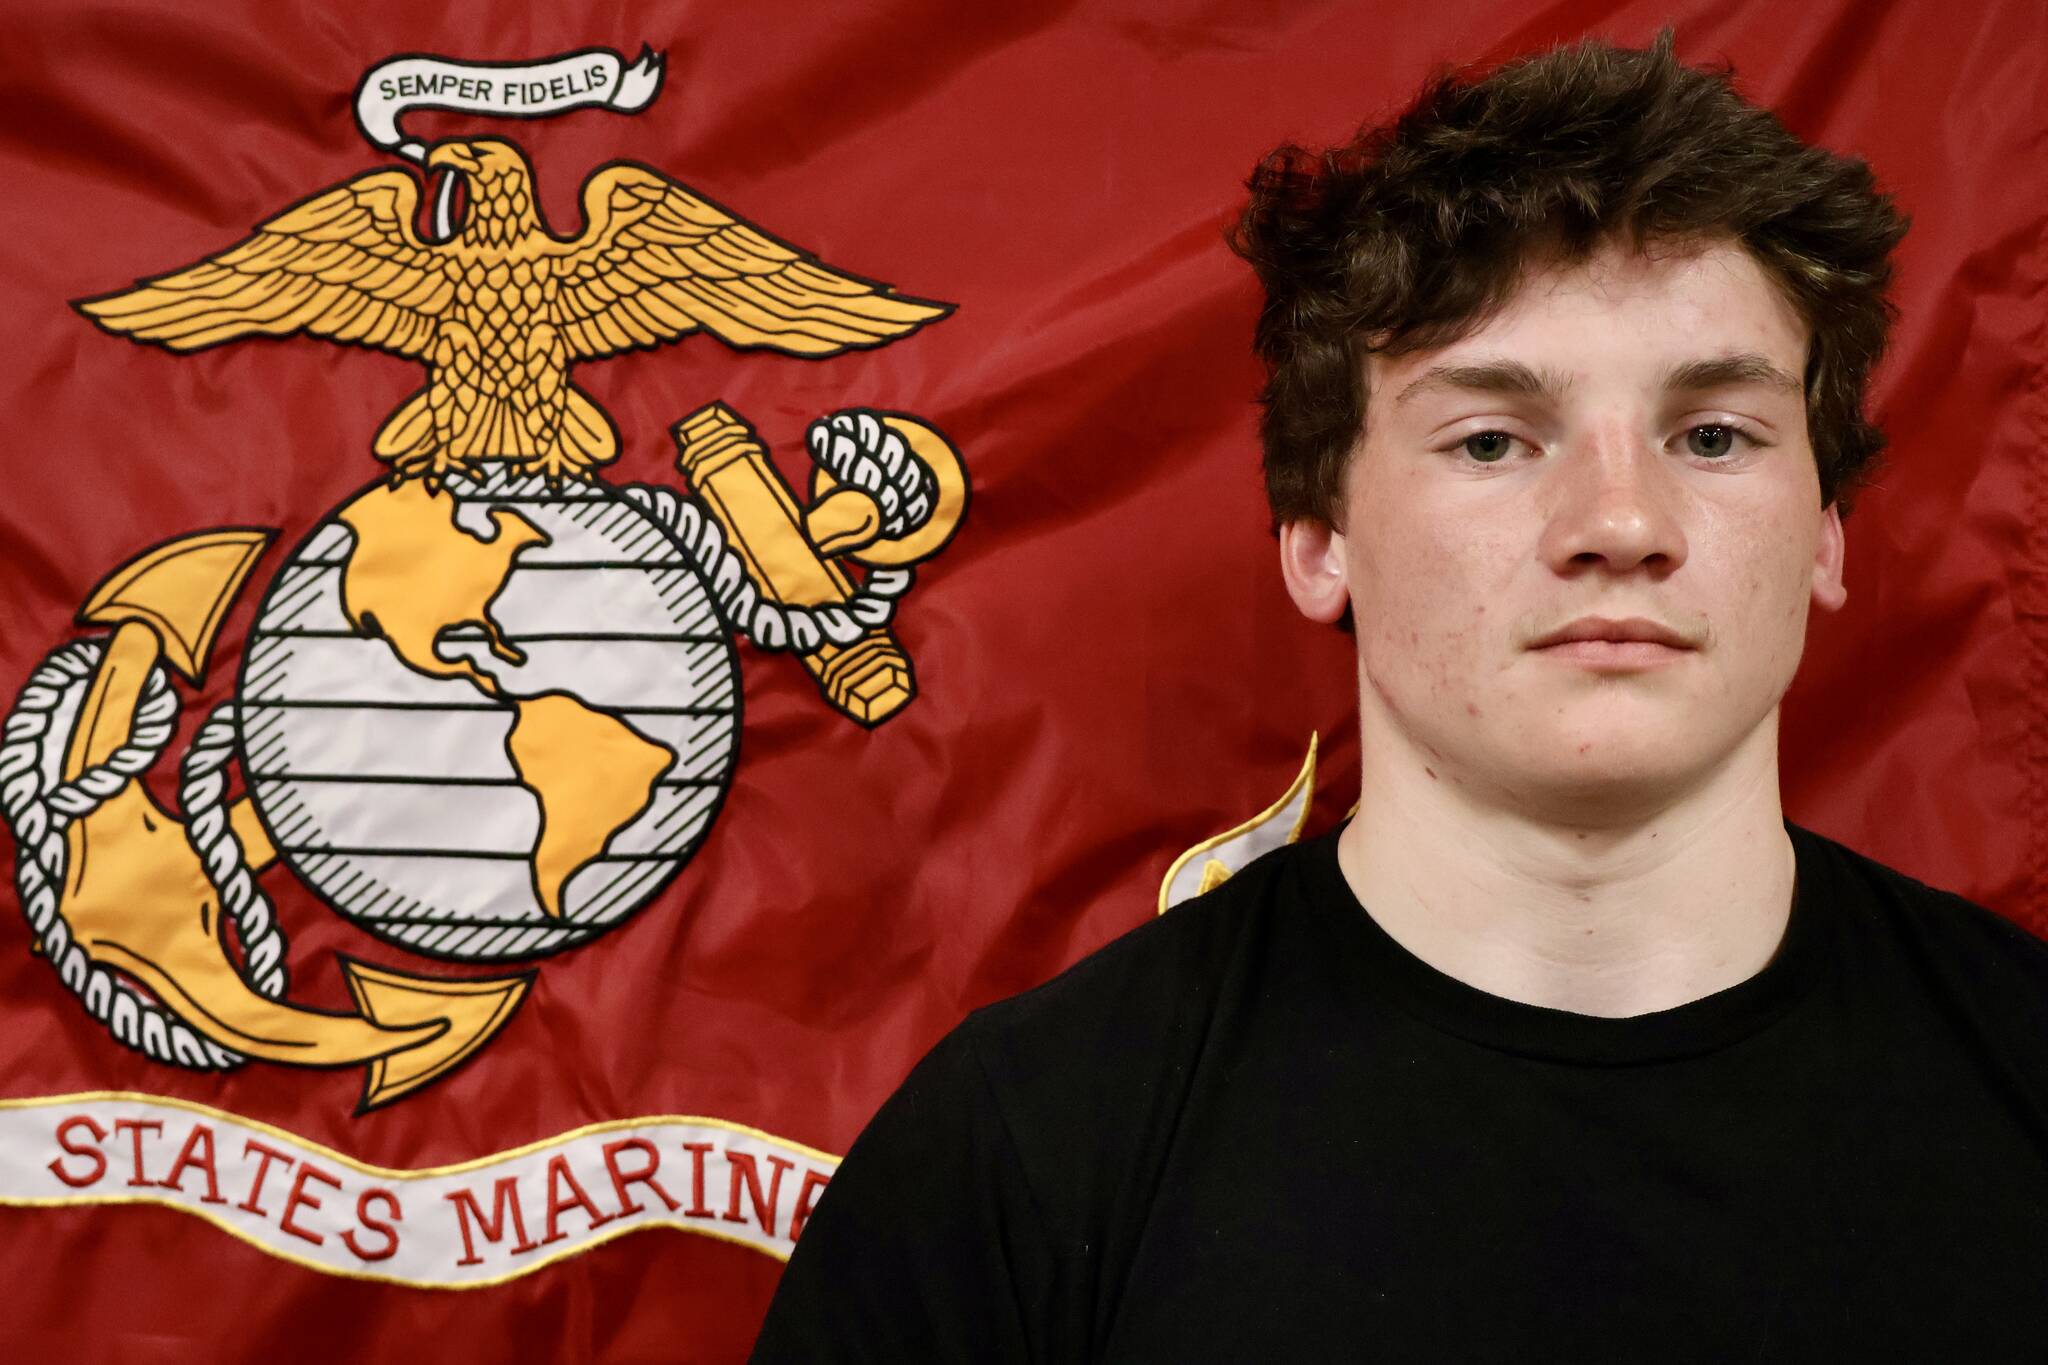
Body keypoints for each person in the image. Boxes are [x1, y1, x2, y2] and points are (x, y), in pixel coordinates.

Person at [750, 33, 2048, 1362]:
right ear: (1320, 539)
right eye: (1491, 438)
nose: (1619, 520)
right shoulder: (1019, 1156)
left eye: (1713, 433)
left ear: (1826, 532)